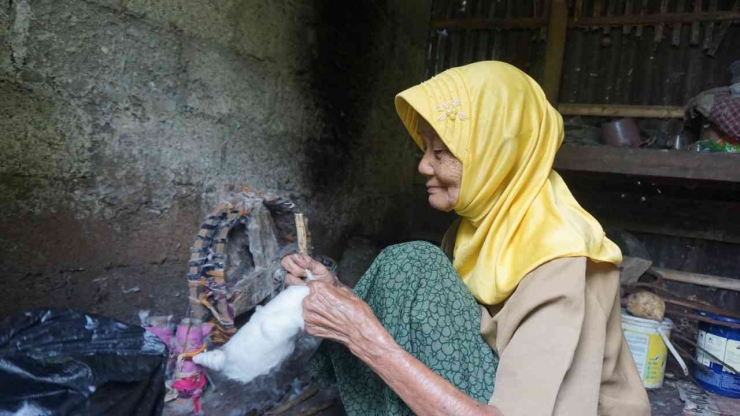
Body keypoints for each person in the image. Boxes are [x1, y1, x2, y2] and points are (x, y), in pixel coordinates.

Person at [281, 61, 650, 416]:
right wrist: (339, 295)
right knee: (408, 265)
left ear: (498, 155)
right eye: (424, 148)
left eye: (440, 152)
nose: (424, 165)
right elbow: (447, 322)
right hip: (488, 381)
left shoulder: (559, 262)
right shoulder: (483, 226)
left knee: (414, 264)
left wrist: (365, 338)